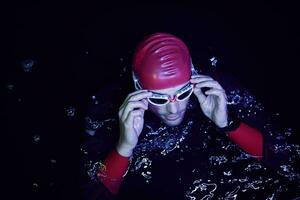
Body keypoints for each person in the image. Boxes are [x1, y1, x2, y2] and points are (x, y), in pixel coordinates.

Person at [80, 33, 300, 199]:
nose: (174, 110)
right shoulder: (106, 109)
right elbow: (94, 194)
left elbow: (286, 160)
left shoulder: (219, 91)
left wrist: (227, 124)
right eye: (158, 99)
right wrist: (124, 146)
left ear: (193, 77)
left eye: (183, 93)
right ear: (138, 89)